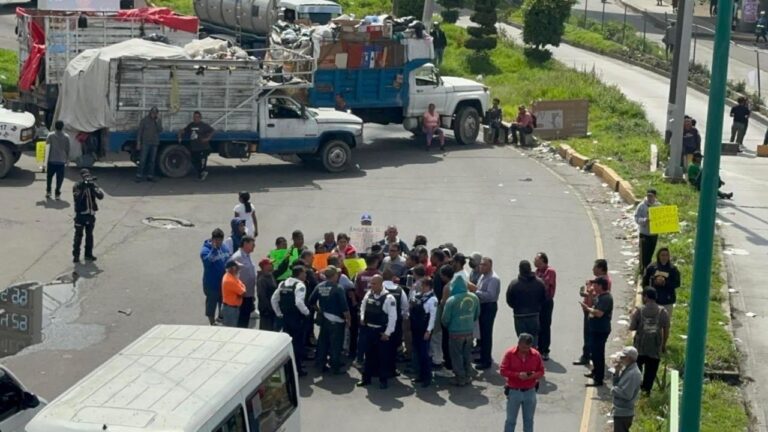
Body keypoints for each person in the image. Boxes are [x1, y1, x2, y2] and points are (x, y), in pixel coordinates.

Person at [357, 275, 397, 389]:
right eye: (371, 283)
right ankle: (366, 379)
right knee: (368, 355)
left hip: (381, 331)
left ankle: (383, 380)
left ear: (380, 284)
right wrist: (362, 317)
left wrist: (387, 333)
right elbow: (363, 306)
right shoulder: (369, 294)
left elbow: (393, 317)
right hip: (369, 329)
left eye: (374, 283)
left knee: (383, 357)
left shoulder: (389, 298)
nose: (371, 285)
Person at [309, 265, 351, 374]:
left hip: (324, 318)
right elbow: (344, 307)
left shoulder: (319, 286)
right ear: (334, 275)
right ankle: (335, 367)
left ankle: (320, 364)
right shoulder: (338, 288)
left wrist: (319, 310)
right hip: (337, 320)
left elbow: (311, 301)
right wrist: (348, 319)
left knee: (323, 342)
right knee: (336, 344)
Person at [442, 268, 480, 386]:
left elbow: (445, 318)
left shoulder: (451, 300)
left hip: (455, 332)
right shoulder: (474, 297)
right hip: (469, 332)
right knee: (467, 354)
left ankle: (460, 378)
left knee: (456, 356)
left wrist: (448, 326)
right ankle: (468, 375)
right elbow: (477, 314)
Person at [499, 333, 545, 432]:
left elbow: (541, 371)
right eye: (523, 347)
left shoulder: (536, 355)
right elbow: (503, 370)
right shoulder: (510, 354)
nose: (525, 350)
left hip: (530, 392)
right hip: (514, 391)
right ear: (518, 343)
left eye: (528, 348)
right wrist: (517, 375)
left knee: (529, 421)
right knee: (510, 421)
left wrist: (532, 376)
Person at [272, 265, 311, 376]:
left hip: (285, 319)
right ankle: (298, 369)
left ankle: (289, 368)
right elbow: (299, 302)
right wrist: (307, 313)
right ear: (300, 274)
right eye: (304, 273)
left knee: (288, 343)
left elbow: (274, 299)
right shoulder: (300, 285)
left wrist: (279, 313)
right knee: (298, 344)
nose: (306, 275)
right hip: (296, 319)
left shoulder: (282, 284)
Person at [630, 288, 670, 396]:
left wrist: (632, 316)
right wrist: (663, 345)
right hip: (655, 346)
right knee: (651, 371)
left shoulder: (639, 310)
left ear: (646, 297)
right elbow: (666, 330)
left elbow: (632, 327)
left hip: (640, 346)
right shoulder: (663, 312)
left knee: (636, 367)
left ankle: (636, 390)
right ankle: (646, 391)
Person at [575, 259, 612, 366]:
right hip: (590, 310)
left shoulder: (604, 282)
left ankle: (587, 356)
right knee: (588, 335)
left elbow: (597, 297)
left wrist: (587, 293)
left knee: (589, 335)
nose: (593, 269)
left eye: (595, 267)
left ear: (601, 268)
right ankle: (589, 356)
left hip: (593, 312)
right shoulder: (598, 279)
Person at [581, 277, 613, 387]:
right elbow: (591, 305)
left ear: (600, 286)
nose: (593, 287)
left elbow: (599, 313)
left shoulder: (606, 298)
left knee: (598, 354)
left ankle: (599, 378)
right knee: (594, 353)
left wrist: (587, 309)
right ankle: (595, 372)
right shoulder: (599, 296)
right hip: (595, 328)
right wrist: (590, 294)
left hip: (601, 330)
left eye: (595, 285)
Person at [409, 265, 438, 387]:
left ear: (429, 287)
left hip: (424, 330)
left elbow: (432, 317)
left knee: (424, 354)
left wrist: (428, 331)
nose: (421, 287)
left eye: (423, 286)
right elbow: (412, 302)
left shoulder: (432, 300)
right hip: (416, 328)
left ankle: (427, 378)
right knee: (417, 353)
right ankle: (420, 375)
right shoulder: (419, 296)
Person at [506, 260, 547, 346]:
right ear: (530, 269)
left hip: (519, 316)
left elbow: (509, 300)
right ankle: (533, 353)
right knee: (533, 339)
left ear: (520, 269)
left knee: (522, 340)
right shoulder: (539, 283)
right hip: (534, 315)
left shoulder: (514, 284)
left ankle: (524, 354)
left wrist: (516, 307)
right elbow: (544, 298)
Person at [352, 255, 382, 367]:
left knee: (362, 335)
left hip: (363, 307)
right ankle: (375, 360)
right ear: (375, 262)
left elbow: (356, 291)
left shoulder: (359, 275)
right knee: (377, 335)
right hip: (378, 309)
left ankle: (359, 359)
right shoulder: (380, 275)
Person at [472, 257, 500, 369]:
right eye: (481, 264)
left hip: (489, 307)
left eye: (484, 265)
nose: (481, 267)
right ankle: (483, 356)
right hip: (482, 306)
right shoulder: (483, 276)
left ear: (490, 266)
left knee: (486, 334)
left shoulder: (493, 279)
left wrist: (475, 291)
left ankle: (486, 360)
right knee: (482, 334)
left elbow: (490, 295)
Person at [72, 169, 104, 263]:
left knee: (89, 236)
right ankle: (76, 255)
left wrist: (92, 187)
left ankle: (88, 254)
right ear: (82, 177)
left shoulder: (93, 185)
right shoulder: (77, 185)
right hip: (80, 215)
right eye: (85, 176)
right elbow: (77, 198)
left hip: (90, 215)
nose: (87, 177)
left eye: (88, 175)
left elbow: (100, 196)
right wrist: (84, 187)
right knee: (78, 236)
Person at [200, 228, 231, 325]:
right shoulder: (205, 250)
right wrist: (213, 250)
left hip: (223, 282)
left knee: (223, 302)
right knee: (211, 305)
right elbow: (207, 262)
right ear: (212, 239)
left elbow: (228, 257)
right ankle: (212, 323)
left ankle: (220, 318)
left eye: (221, 240)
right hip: (211, 284)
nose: (219, 242)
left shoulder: (224, 247)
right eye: (217, 240)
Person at [641, 248, 681, 318]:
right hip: (653, 301)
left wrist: (665, 283)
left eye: (666, 255)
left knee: (665, 321)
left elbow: (677, 283)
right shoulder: (651, 267)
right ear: (658, 256)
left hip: (667, 301)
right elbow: (645, 283)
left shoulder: (673, 269)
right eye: (662, 255)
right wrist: (654, 282)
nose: (664, 257)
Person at [611, 347, 643, 432]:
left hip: (623, 414)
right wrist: (617, 372)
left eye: (622, 357)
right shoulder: (628, 369)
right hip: (620, 411)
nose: (620, 359)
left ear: (629, 358)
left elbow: (627, 395)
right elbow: (617, 384)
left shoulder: (633, 374)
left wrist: (613, 390)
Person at [177, 111, 214, 181]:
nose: (195, 118)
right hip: (194, 147)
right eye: (194, 117)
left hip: (203, 147)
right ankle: (202, 173)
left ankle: (201, 175)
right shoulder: (191, 125)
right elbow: (184, 130)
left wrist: (208, 138)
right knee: (194, 161)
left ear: (200, 118)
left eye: (197, 117)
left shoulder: (204, 125)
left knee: (202, 163)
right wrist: (179, 135)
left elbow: (212, 131)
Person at [533, 253, 556, 361]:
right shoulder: (536, 272)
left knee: (545, 325)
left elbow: (545, 285)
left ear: (542, 260)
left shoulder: (550, 271)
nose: (534, 261)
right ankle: (539, 347)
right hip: (537, 302)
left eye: (536, 259)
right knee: (538, 326)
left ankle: (545, 350)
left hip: (546, 302)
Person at [231, 235, 257, 328]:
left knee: (245, 319)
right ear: (245, 244)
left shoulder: (247, 255)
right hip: (241, 295)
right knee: (241, 321)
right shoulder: (237, 257)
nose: (254, 246)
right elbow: (232, 276)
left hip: (248, 293)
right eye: (252, 244)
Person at [634, 189, 660, 272]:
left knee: (650, 253)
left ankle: (648, 270)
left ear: (655, 196)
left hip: (654, 235)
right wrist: (645, 220)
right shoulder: (641, 206)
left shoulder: (658, 206)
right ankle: (642, 270)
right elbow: (636, 218)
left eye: (651, 196)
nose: (649, 198)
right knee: (643, 254)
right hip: (644, 234)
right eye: (648, 195)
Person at [135, 106, 162, 182]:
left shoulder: (158, 120)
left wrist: (157, 122)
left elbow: (160, 130)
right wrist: (138, 142)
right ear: (150, 112)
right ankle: (139, 175)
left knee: (152, 161)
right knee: (142, 160)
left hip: (154, 143)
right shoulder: (144, 120)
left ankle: (150, 176)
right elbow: (140, 132)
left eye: (155, 113)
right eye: (153, 113)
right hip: (145, 143)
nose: (154, 114)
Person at [45, 120, 70, 200]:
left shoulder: (50, 135)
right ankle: (57, 193)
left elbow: (47, 148)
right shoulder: (66, 137)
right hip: (61, 161)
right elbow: (67, 149)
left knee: (49, 177)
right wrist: (67, 159)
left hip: (51, 160)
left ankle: (48, 191)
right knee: (59, 179)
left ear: (55, 127)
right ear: (62, 127)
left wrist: (44, 161)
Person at [221, 260, 246, 327]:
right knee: (231, 328)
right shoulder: (230, 280)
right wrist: (242, 287)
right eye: (237, 267)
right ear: (232, 268)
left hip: (231, 308)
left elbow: (242, 285)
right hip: (231, 309)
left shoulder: (231, 276)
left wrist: (241, 287)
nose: (239, 269)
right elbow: (243, 293)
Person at [256, 258, 278, 331]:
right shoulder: (262, 279)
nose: (272, 265)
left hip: (272, 308)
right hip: (266, 310)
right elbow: (262, 296)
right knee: (266, 330)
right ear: (265, 266)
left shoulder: (270, 275)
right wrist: (269, 308)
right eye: (270, 264)